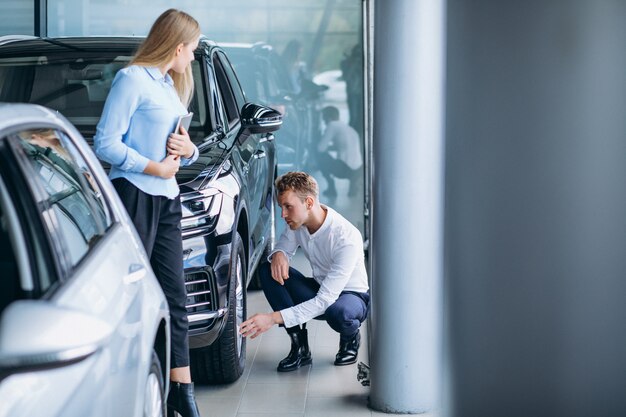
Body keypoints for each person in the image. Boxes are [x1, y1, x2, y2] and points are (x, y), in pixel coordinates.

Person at [94, 9, 202, 417]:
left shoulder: (169, 86)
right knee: (133, 298)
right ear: (176, 47)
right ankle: (131, 386)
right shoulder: (132, 79)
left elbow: (182, 146)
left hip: (167, 198)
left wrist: (186, 150)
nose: (192, 58)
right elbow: (106, 143)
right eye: (191, 50)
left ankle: (182, 392)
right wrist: (153, 166)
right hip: (136, 194)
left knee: (175, 296)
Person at [240, 172, 370, 372]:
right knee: (268, 271)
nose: (283, 214)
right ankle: (299, 347)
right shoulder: (298, 223)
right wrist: (280, 253)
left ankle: (350, 338)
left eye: (288, 207)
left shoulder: (346, 237)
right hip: (319, 288)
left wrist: (272, 318)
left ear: (309, 202)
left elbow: (325, 301)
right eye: (281, 207)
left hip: (351, 297)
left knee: (339, 313)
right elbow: (284, 243)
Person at [316, 106, 362, 198]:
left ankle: (331, 188)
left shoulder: (332, 125)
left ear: (328, 117)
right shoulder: (348, 128)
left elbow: (320, 149)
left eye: (324, 118)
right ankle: (353, 184)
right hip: (358, 170)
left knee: (319, 156)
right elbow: (343, 147)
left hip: (344, 169)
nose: (324, 122)